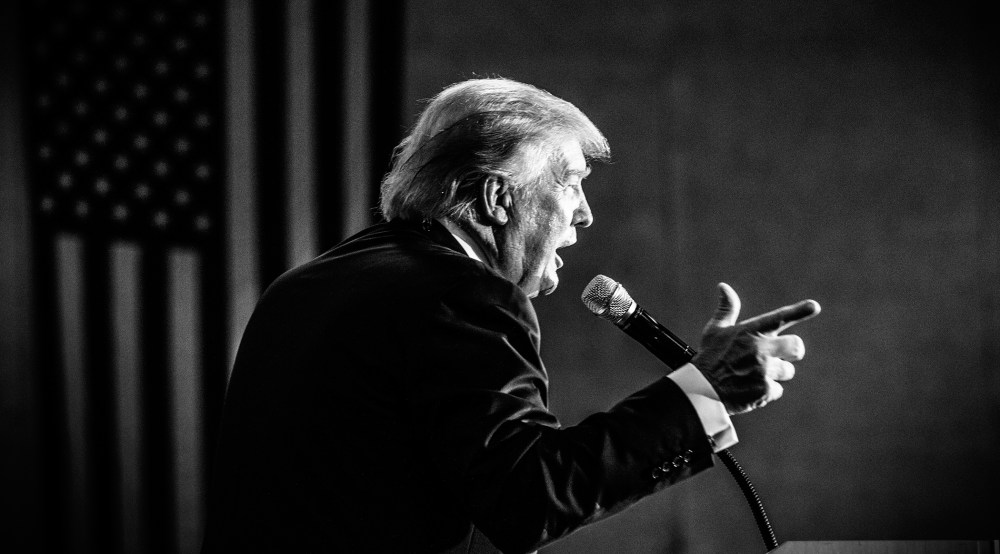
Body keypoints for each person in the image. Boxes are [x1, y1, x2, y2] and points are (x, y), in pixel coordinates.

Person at [201, 78, 820, 553]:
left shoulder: (305, 284)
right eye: (572, 183)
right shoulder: (461, 297)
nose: (584, 216)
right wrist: (703, 396)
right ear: (498, 197)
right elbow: (530, 496)